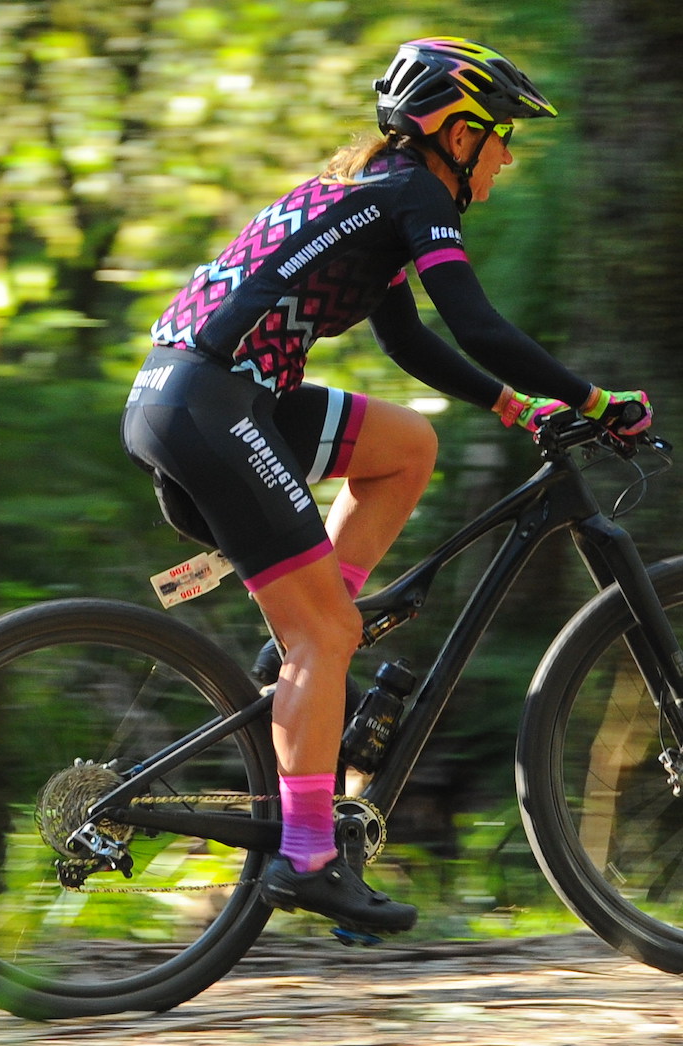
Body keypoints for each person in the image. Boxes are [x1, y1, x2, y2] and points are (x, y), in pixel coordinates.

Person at [121, 38, 654, 934]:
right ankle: (307, 854)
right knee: (321, 634)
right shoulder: (414, 195)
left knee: (406, 446)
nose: (508, 156)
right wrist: (595, 400)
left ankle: (311, 641)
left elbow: (407, 341)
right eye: (501, 136)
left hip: (196, 392)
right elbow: (476, 321)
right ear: (454, 132)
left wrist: (515, 409)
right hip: (212, 405)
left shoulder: (376, 196)